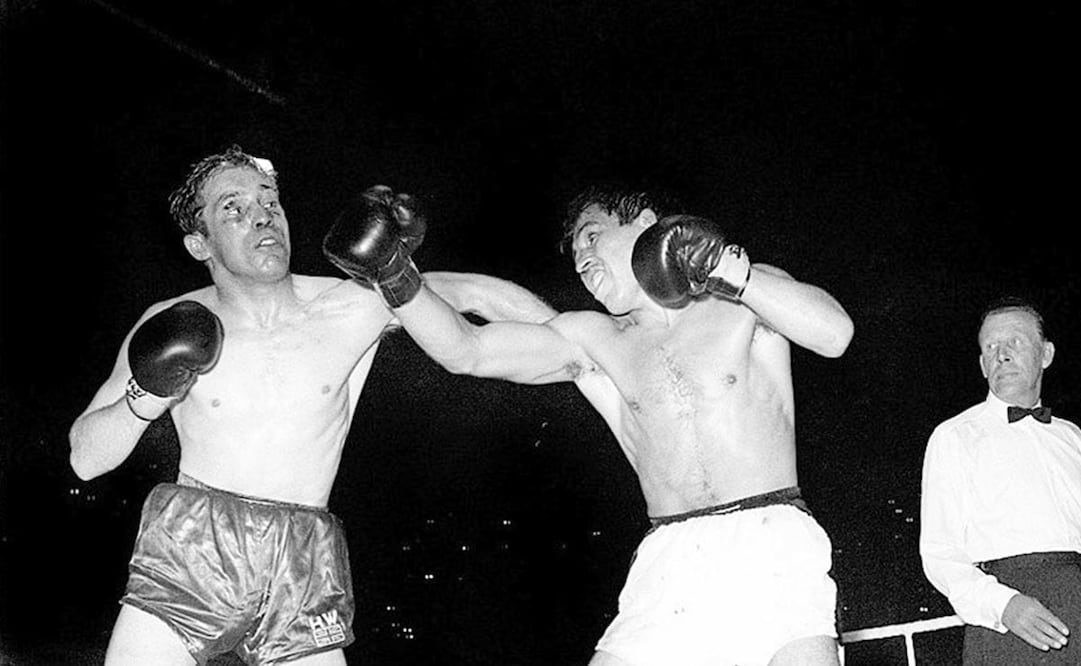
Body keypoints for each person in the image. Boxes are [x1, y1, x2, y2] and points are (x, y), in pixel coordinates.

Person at [322, 183, 855, 665]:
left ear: (646, 223)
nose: (583, 259)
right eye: (576, 255)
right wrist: (392, 274)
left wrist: (732, 271)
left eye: (593, 237)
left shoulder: (739, 301)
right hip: (669, 561)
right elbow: (469, 349)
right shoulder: (595, 339)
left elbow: (834, 334)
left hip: (771, 539)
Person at [68, 147, 555, 666]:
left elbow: (479, 293)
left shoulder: (353, 304)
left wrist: (590, 349)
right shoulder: (167, 320)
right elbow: (86, 457)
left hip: (303, 554)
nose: (261, 216)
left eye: (269, 202)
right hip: (194, 543)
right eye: (233, 208)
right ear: (198, 242)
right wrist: (146, 395)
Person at [920, 295, 1081, 664]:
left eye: (1015, 342)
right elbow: (940, 553)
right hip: (1008, 623)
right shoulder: (955, 436)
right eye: (990, 346)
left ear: (1046, 354)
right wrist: (1004, 605)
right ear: (981, 363)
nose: (1001, 354)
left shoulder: (1073, 437)